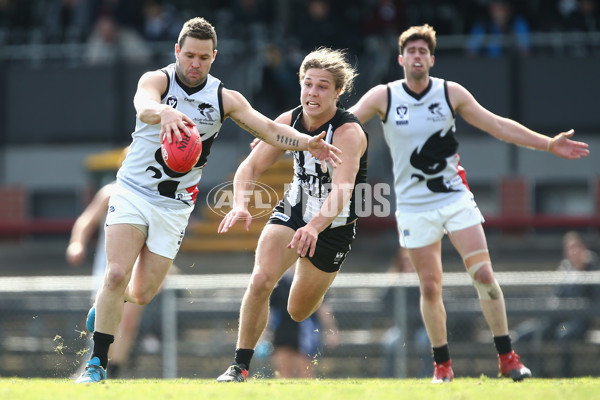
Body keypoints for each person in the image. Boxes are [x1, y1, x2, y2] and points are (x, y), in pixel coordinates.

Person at [74, 16, 342, 384]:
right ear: (176, 52)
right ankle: (96, 365)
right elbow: (143, 106)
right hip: (133, 191)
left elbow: (268, 128)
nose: (194, 63)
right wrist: (165, 112)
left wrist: (306, 142)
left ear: (213, 56)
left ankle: (109, 301)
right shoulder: (157, 80)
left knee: (141, 291)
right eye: (189, 55)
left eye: (203, 57)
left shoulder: (222, 98)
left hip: (174, 206)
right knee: (116, 273)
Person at [348, 24, 589, 383]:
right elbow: (345, 120)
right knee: (429, 287)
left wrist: (548, 144)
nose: (417, 56)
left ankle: (507, 357)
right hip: (414, 207)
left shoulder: (450, 93)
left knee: (484, 276)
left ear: (431, 58)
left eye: (422, 51)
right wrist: (288, 135)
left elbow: (498, 126)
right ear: (401, 59)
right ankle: (442, 366)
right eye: (410, 51)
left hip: (455, 199)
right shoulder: (384, 96)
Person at [215, 47, 368, 382]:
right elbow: (251, 164)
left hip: (334, 223)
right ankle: (239, 366)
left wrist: (315, 227)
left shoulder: (348, 132)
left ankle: (316, 273)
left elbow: (342, 191)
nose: (312, 93)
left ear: (338, 92)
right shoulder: (289, 121)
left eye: (323, 86)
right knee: (260, 281)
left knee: (298, 310)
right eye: (308, 84)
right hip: (295, 208)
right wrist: (241, 202)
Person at [66, 179, 145, 378]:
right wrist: (77, 243)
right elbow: (87, 220)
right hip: (110, 267)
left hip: (139, 267)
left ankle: (115, 370)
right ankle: (91, 365)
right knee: (104, 317)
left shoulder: (155, 194)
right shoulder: (111, 191)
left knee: (128, 321)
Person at [513, 231, 600, 377]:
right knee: (523, 335)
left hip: (576, 322)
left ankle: (566, 375)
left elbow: (593, 301)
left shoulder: (592, 270)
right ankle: (538, 373)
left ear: (584, 248)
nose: (573, 252)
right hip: (555, 320)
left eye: (576, 247)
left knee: (563, 333)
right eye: (569, 248)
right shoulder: (565, 270)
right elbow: (556, 296)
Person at [268, 267, 339, 378]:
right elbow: (270, 312)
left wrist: (331, 330)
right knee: (283, 372)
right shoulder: (279, 283)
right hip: (284, 330)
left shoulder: (312, 280)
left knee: (306, 372)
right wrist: (262, 335)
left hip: (306, 330)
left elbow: (323, 309)